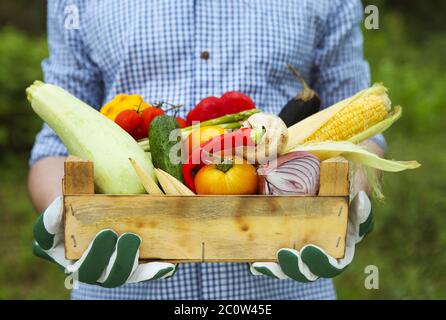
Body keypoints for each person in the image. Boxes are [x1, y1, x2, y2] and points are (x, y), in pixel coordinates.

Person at [29, 0, 386, 300]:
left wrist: (347, 201)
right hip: (121, 277)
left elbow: (359, 129)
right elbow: (54, 145)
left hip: (288, 274)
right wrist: (69, 218)